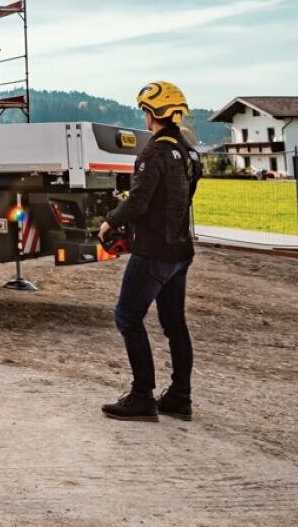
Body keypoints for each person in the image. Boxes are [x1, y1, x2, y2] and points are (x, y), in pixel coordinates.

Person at [99, 80, 203, 422]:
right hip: (180, 251)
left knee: (128, 316)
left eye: (145, 110)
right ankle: (179, 397)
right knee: (175, 324)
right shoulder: (190, 152)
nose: (144, 117)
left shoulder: (153, 152)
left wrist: (110, 222)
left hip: (154, 251)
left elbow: (140, 201)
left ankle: (142, 395)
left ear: (152, 113)